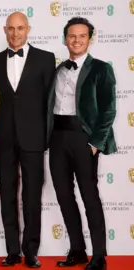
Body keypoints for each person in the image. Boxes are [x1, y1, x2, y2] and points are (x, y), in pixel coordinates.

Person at [0, 12, 55, 268]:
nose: (15, 33)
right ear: (4, 30)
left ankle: (31, 251)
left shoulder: (46, 59)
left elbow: (50, 103)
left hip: (34, 138)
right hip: (3, 138)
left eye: (20, 28)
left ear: (28, 29)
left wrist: (48, 137)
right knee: (7, 194)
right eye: (11, 29)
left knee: (31, 196)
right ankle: (12, 251)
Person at [47, 17, 116, 270]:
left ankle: (99, 256)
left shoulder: (101, 68)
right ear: (65, 38)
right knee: (64, 196)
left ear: (89, 39)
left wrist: (96, 142)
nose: (76, 40)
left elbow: (109, 109)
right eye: (72, 36)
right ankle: (77, 250)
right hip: (57, 138)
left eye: (82, 36)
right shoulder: (58, 69)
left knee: (90, 197)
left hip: (84, 139)